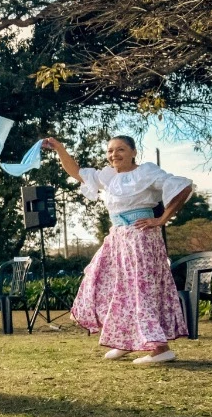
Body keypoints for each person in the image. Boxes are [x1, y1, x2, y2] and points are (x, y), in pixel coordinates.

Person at [45, 135, 192, 363]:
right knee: (107, 285)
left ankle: (160, 349)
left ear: (133, 152)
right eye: (110, 151)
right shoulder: (109, 176)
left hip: (140, 238)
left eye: (120, 149)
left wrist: (162, 218)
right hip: (118, 238)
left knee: (139, 290)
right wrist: (59, 148)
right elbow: (76, 171)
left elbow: (182, 186)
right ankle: (125, 340)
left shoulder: (146, 172)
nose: (114, 155)